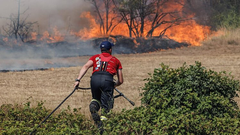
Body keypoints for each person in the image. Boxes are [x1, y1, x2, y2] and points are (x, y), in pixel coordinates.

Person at [74, 40, 123, 129]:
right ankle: (102, 128)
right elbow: (121, 80)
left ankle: (93, 107)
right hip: (107, 80)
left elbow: (85, 66)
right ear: (110, 50)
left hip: (94, 79)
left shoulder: (95, 57)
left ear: (101, 50)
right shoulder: (116, 60)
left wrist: (78, 80)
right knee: (106, 106)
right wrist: (113, 85)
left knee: (96, 98)